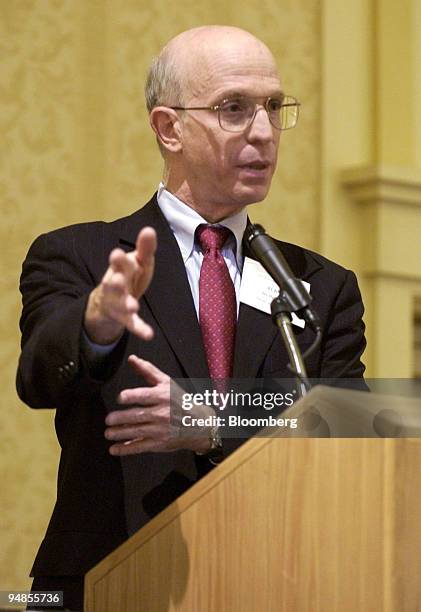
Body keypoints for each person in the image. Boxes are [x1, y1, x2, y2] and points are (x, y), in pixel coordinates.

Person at [17, 25, 366, 610]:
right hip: (105, 583)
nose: (264, 132)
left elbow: (350, 430)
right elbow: (37, 379)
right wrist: (96, 324)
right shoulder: (81, 257)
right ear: (168, 127)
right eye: (235, 108)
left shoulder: (319, 287)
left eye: (274, 108)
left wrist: (215, 421)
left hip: (272, 581)